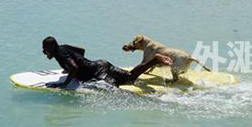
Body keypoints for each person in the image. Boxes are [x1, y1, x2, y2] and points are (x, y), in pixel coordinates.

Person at [42, 36, 172, 88]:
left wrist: (64, 83)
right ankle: (155, 60)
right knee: (129, 77)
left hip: (99, 74)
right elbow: (81, 51)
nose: (44, 52)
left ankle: (145, 102)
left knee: (114, 92)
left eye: (45, 50)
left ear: (51, 48)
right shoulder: (63, 47)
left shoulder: (59, 54)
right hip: (101, 64)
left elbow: (75, 68)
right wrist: (70, 67)